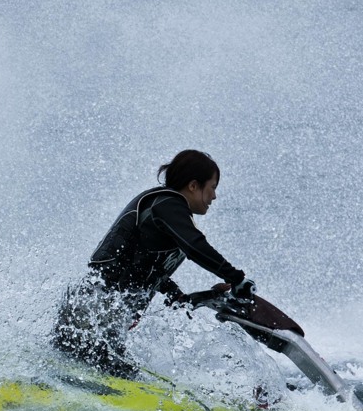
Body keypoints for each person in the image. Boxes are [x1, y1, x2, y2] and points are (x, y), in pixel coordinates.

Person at [53, 150, 255, 378]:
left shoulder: (167, 210)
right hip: (91, 314)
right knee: (120, 378)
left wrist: (179, 296)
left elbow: (145, 268)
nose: (214, 196)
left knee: (107, 376)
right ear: (193, 186)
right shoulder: (168, 205)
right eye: (212, 187)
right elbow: (195, 247)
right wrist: (236, 278)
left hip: (94, 314)